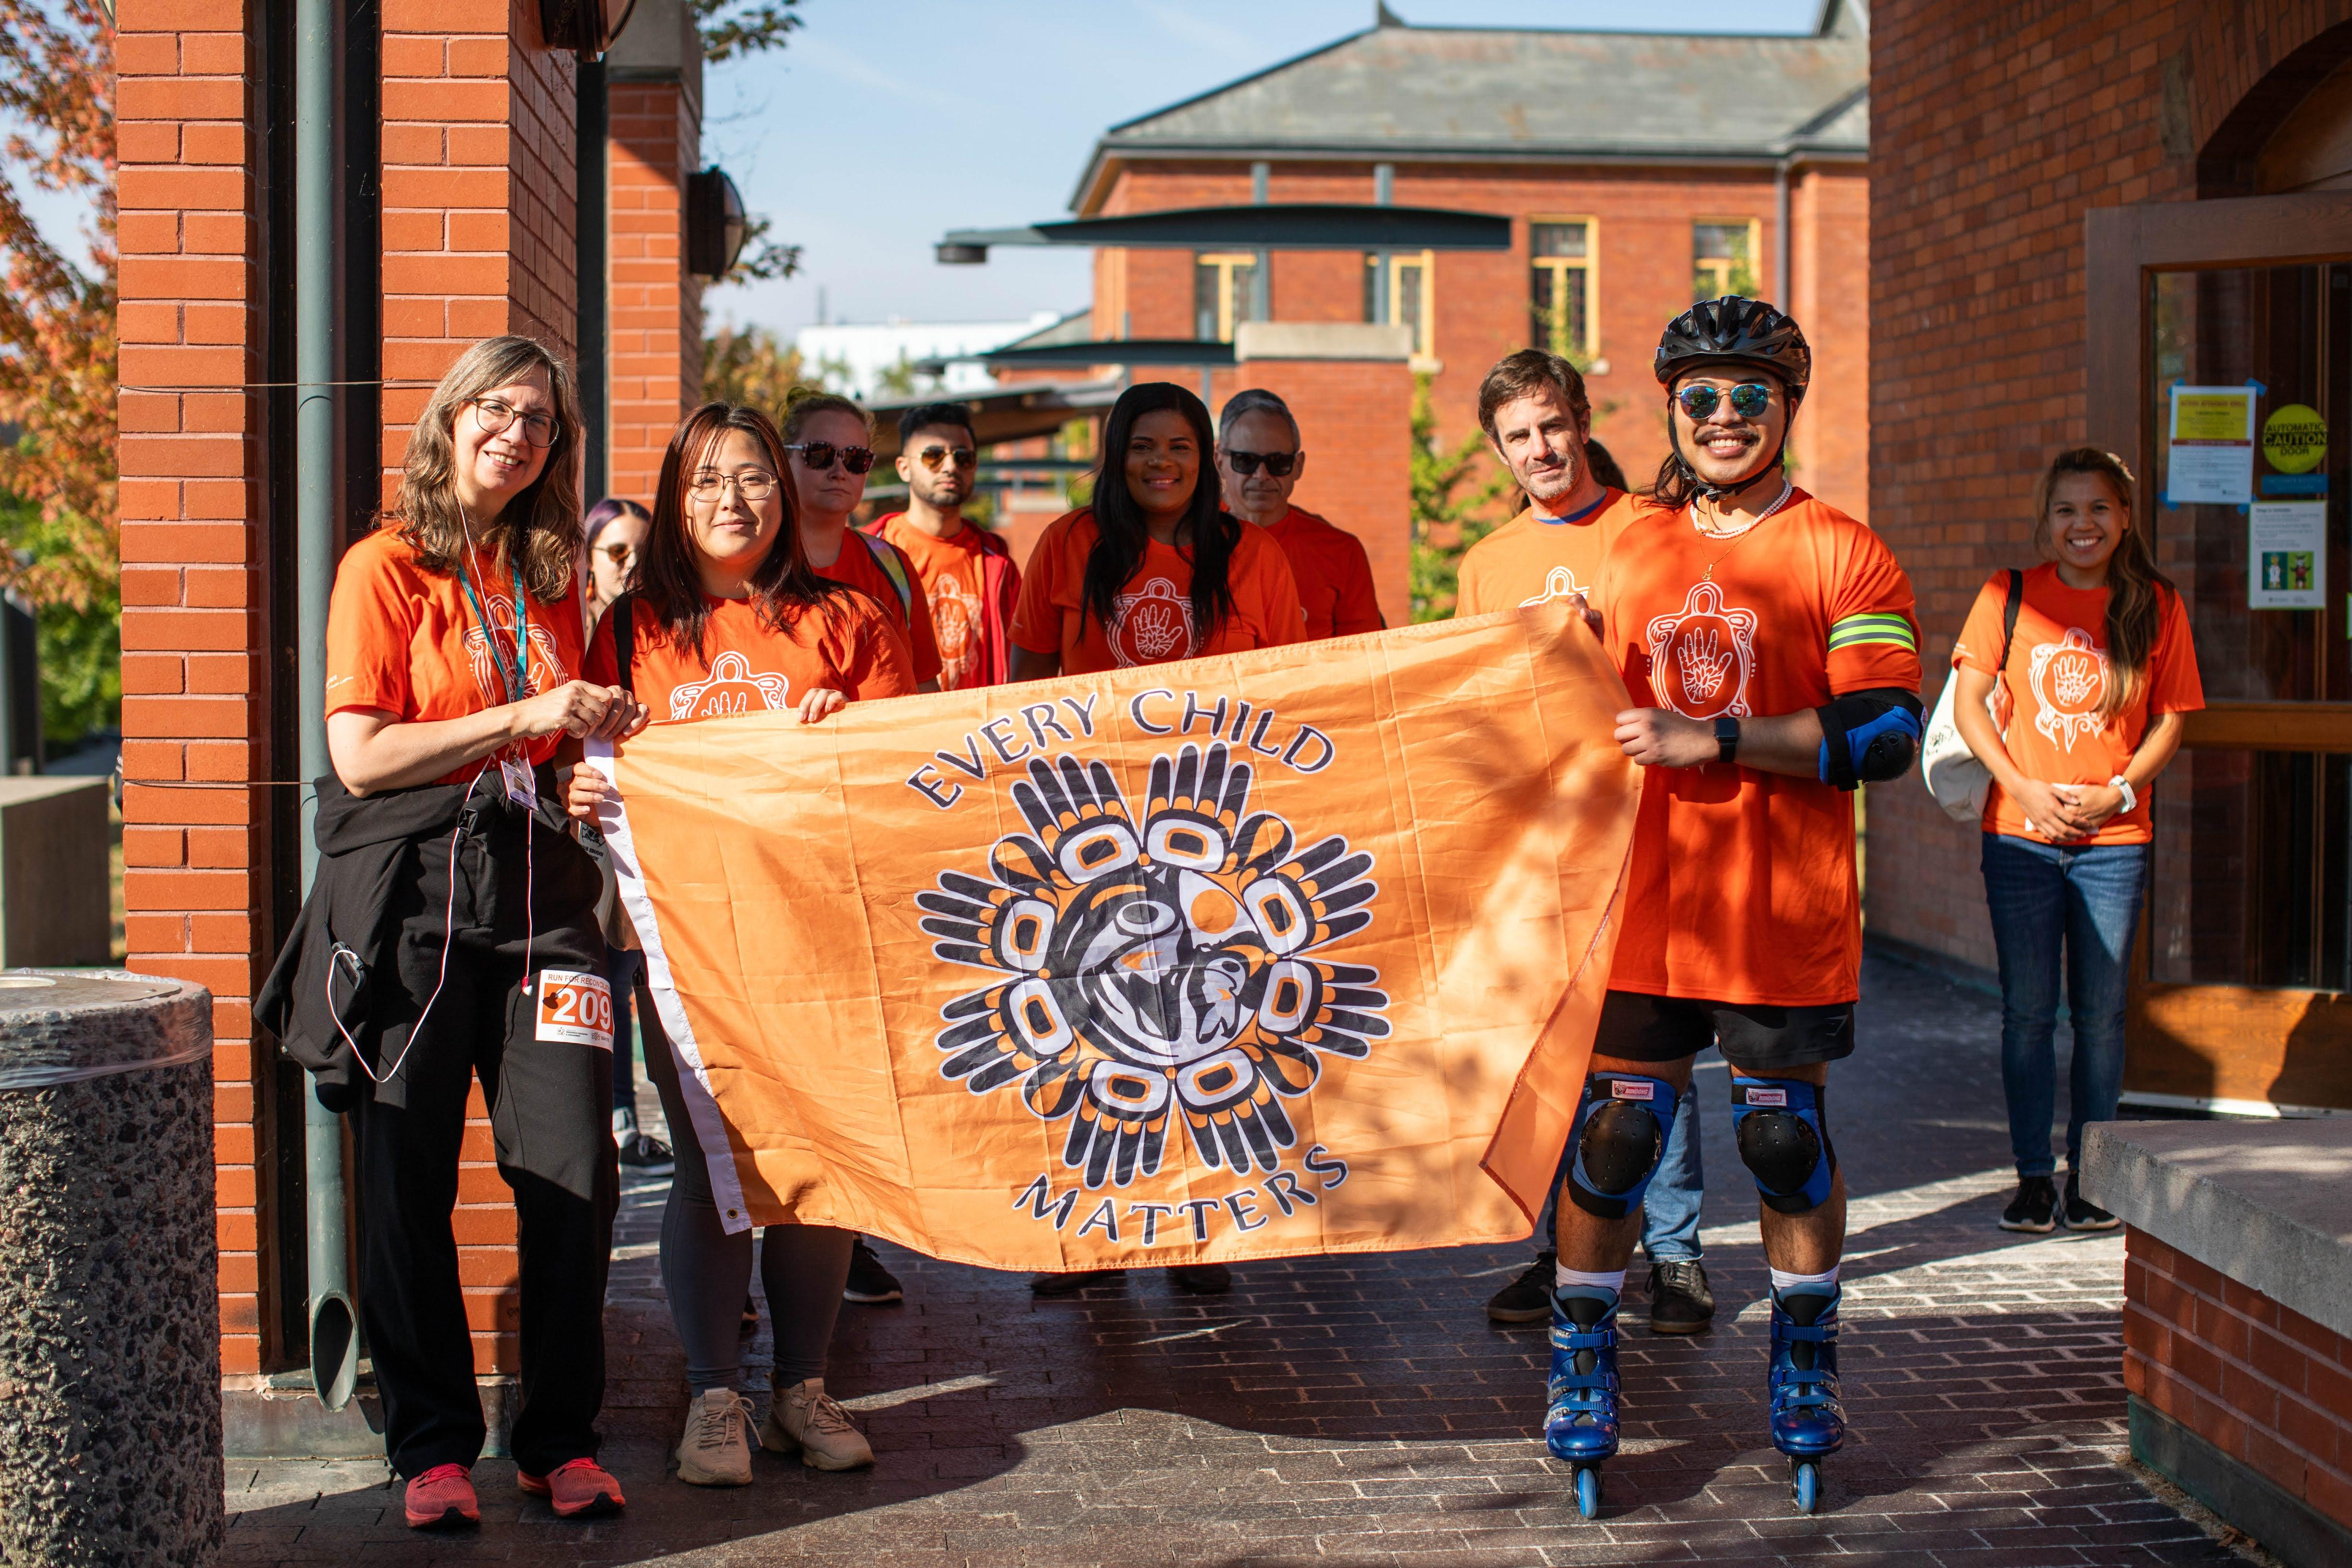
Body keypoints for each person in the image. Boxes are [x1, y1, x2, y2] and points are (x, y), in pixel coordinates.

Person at [1547, 299, 1923, 1515]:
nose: (1721, 416)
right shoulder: (1626, 544)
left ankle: (1805, 1362)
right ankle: (1580, 1362)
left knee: (1778, 1142)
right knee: (1612, 1141)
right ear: (1666, 409)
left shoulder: (1842, 550)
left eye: (1747, 394)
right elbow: (1552, 703)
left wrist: (1706, 734)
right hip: (1644, 907)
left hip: (1777, 911)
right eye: (1698, 396)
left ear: (1785, 408)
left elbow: (1881, 733)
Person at [302, 334, 646, 1529]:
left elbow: (573, 745)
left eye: (542, 419)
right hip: (413, 909)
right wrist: (529, 711)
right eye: (498, 407)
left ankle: (559, 1440)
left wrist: (586, 767)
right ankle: (433, 1447)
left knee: (576, 1174)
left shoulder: (554, 574)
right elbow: (360, 752)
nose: (518, 431)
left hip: (546, 903)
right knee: (404, 1185)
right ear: (450, 419)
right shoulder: (384, 567)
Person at [568, 401, 917, 1487]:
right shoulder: (633, 625)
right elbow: (584, 767)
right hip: (689, 943)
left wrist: (845, 740)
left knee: (816, 1162)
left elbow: (914, 772)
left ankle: (798, 1388)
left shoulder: (851, 619)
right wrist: (584, 789)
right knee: (718, 1160)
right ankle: (712, 1391)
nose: (734, 500)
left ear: (784, 490)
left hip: (819, 935)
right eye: (708, 479)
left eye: (756, 477)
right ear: (675, 495)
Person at [1007, 379, 1305, 1299]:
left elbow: (1292, 685)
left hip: (1210, 832)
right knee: (1084, 1031)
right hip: (1085, 826)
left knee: (1203, 1029)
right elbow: (1023, 679)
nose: (1160, 463)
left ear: (1202, 457)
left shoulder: (1252, 554)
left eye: (1178, 446)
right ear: (1114, 452)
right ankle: (1088, 1228)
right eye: (1143, 446)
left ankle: (1194, 1228)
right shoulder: (1068, 545)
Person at [1455, 350, 1717, 1339]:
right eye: (1517, 436)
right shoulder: (1485, 562)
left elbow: (1700, 656)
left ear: (1579, 420)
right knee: (1555, 1050)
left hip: (1651, 824)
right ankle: (1558, 1247)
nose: (1540, 449)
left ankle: (1676, 1254)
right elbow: (1472, 705)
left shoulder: (1652, 529)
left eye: (1552, 425)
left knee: (1656, 1048)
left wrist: (1607, 635)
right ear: (1498, 452)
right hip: (1541, 835)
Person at [1949, 448, 2201, 1235]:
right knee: (2026, 1014)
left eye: (2096, 509)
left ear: (2122, 518)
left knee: (2097, 1018)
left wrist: (2115, 791)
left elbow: (2171, 719)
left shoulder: (2155, 604)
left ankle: (2091, 1177)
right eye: (2064, 510)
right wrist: (2022, 789)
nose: (2080, 524)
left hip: (2114, 838)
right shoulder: (2007, 594)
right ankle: (2030, 1177)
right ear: (2045, 520)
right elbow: (1965, 707)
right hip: (2018, 838)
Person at [578, 497, 672, 1176]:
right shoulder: (569, 634)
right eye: (616, 552)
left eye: (642, 551)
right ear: (588, 561)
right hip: (589, 837)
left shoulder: (654, 634)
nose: (631, 565)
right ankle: (614, 1121)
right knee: (605, 975)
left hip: (655, 834)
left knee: (644, 979)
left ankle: (635, 1120)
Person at [780, 388, 943, 693]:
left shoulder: (893, 566)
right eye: (820, 454)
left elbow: (925, 687)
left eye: (856, 458)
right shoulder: (750, 565)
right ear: (783, 459)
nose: (839, 471)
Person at [867, 400, 1021, 690]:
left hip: (978, 731)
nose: (950, 466)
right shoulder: (869, 553)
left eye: (963, 457)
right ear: (903, 468)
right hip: (901, 729)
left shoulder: (998, 565)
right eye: (933, 456)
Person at [1213, 387, 1382, 639]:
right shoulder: (1181, 538)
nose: (1262, 475)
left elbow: (1364, 658)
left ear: (1298, 466)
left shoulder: (1341, 552)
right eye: (1246, 460)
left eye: (1278, 462)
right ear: (1219, 462)